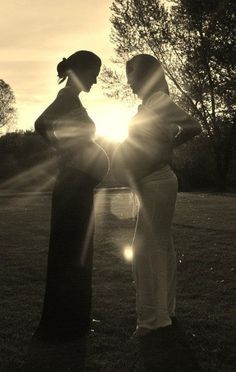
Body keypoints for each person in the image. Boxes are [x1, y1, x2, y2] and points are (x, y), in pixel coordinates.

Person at [112, 54, 201, 337]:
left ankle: (153, 321)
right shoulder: (150, 104)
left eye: (132, 75)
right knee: (159, 248)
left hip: (158, 180)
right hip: (151, 181)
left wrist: (166, 148)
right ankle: (164, 312)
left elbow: (192, 126)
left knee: (148, 250)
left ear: (146, 76)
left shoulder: (159, 102)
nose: (129, 82)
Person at [33, 50, 109, 341]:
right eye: (94, 73)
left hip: (78, 187)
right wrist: (62, 150)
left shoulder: (72, 100)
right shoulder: (66, 98)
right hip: (72, 188)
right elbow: (41, 124)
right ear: (80, 71)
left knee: (76, 252)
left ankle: (73, 320)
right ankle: (64, 323)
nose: (96, 80)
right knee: (71, 252)